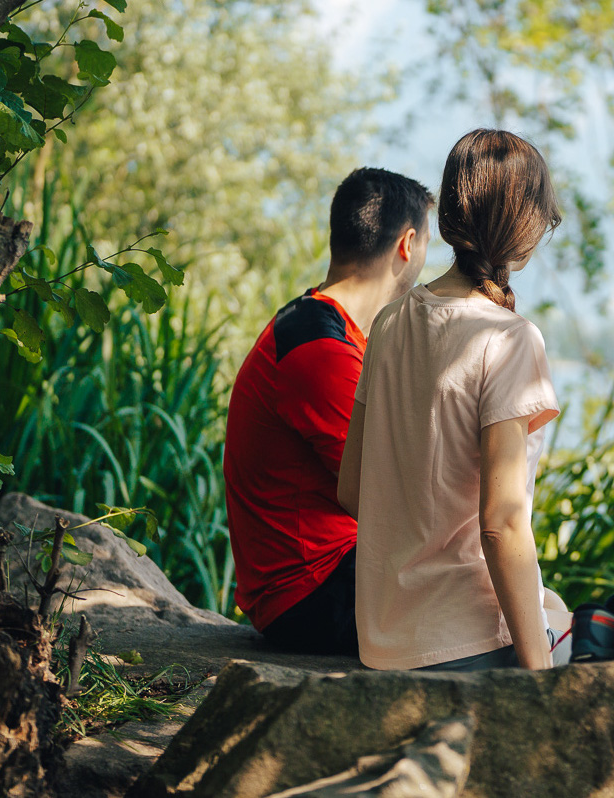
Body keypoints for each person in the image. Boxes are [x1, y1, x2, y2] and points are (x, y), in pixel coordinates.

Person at [339, 129, 569, 671]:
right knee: (597, 630)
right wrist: (538, 682)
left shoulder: (390, 323)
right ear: (528, 229)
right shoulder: (509, 338)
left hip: (385, 640)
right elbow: (502, 523)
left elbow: (353, 488)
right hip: (464, 644)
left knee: (554, 606)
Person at [223, 168, 433, 654]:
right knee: (476, 593)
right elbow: (387, 500)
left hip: (327, 575)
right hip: (309, 592)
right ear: (407, 244)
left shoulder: (321, 325)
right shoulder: (321, 350)